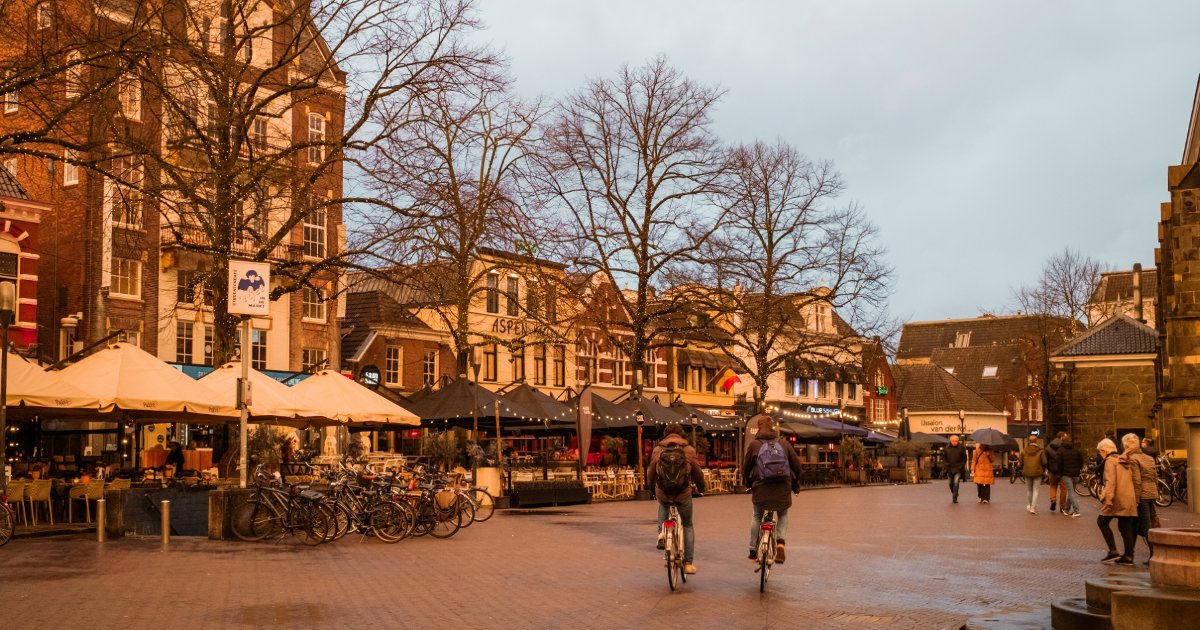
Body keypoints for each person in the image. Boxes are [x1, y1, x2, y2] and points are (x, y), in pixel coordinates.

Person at [646, 423, 705, 575]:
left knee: (663, 505)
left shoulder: (658, 450)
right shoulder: (689, 450)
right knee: (687, 525)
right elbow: (697, 472)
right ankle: (688, 564)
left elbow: (651, 470)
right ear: (681, 435)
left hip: (664, 492)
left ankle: (661, 533)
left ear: (666, 435)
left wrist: (651, 487)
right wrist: (701, 487)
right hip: (683, 493)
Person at [743, 414, 802, 563]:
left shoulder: (754, 445)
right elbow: (796, 466)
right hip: (782, 488)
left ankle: (752, 550)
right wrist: (795, 485)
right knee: (782, 514)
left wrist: (748, 484)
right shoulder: (784, 443)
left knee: (757, 515)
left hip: (761, 488)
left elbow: (746, 467)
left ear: (759, 428)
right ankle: (781, 542)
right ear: (773, 428)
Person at [1096, 437, 1139, 565]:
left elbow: (1110, 481)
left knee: (1102, 521)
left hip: (1116, 498)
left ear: (1104, 451)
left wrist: (1108, 499)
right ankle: (1129, 555)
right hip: (1128, 497)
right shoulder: (1123, 459)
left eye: (1100, 452)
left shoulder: (1110, 461)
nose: (1100, 455)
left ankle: (1113, 550)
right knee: (1124, 526)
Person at [1123, 433, 1158, 564]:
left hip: (1142, 495)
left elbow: (1137, 481)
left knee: (1147, 526)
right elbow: (1154, 477)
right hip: (1151, 493)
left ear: (1127, 445)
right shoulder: (1149, 458)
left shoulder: (1133, 459)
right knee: (1136, 524)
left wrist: (1136, 500)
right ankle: (1128, 554)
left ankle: (1154, 556)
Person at [1057, 433, 1085, 517]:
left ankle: (1076, 510)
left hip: (1066, 474)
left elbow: (1059, 463)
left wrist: (1060, 473)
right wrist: (1079, 469)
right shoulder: (1076, 449)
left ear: (1062, 440)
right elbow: (1081, 460)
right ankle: (1066, 509)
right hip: (1076, 473)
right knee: (1071, 491)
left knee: (1071, 492)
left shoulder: (1060, 450)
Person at [1021, 435, 1047, 514]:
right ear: (1036, 441)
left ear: (1029, 441)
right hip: (1038, 472)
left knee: (1029, 490)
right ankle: (1033, 507)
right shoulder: (1041, 451)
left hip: (1027, 472)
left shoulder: (1024, 450)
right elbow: (1045, 462)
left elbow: (1021, 460)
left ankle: (1029, 505)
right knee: (1036, 490)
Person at [943, 435, 969, 503]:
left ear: (958, 441)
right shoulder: (947, 447)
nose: (954, 442)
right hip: (949, 468)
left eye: (956, 441)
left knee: (956, 482)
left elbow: (964, 458)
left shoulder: (961, 447)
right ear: (950, 441)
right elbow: (944, 458)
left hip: (958, 469)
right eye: (953, 441)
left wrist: (961, 466)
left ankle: (954, 498)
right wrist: (946, 465)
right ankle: (955, 493)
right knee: (950, 483)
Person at [1045, 432, 1066, 513]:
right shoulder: (1064, 446)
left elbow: (1046, 459)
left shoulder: (1048, 447)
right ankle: (1062, 506)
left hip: (1052, 470)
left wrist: (1047, 468)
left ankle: (1053, 500)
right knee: (1063, 489)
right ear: (1061, 437)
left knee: (1053, 486)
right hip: (1062, 470)